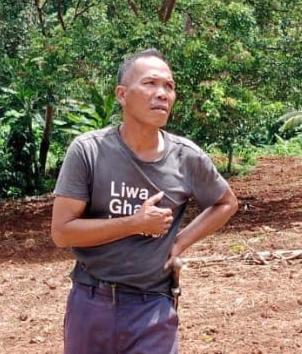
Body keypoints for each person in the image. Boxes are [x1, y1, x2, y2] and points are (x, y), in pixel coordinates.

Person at [50, 48, 240, 353]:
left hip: (152, 308)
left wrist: (179, 242)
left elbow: (226, 203)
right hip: (91, 302)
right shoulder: (89, 151)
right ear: (122, 94)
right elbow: (62, 233)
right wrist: (134, 224)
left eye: (169, 86)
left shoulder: (186, 157)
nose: (162, 94)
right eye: (150, 83)